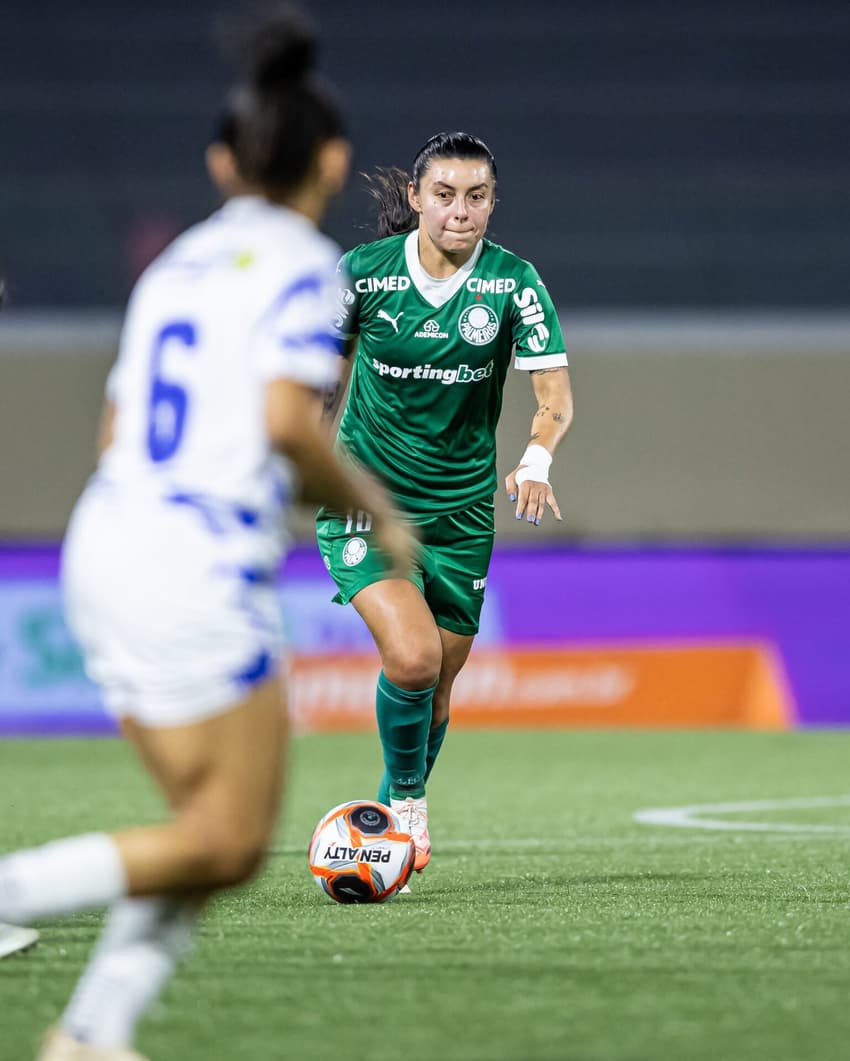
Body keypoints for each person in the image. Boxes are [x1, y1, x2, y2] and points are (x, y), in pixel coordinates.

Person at [0, 9, 415, 1060]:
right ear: (333, 158)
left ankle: (93, 1033)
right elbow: (286, 421)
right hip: (188, 563)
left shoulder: (176, 263)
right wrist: (369, 509)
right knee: (228, 839)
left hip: (110, 537)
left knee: (200, 832)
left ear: (222, 160)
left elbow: (113, 424)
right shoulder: (301, 264)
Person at [317, 132, 573, 874]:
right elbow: (323, 389)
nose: (461, 211)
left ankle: (380, 828)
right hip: (368, 500)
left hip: (461, 515)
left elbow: (553, 397)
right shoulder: (362, 277)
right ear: (416, 199)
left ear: (492, 201)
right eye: (445, 195)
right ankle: (406, 809)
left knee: (438, 685)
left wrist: (535, 457)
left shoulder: (512, 283)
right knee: (414, 656)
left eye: (477, 196)